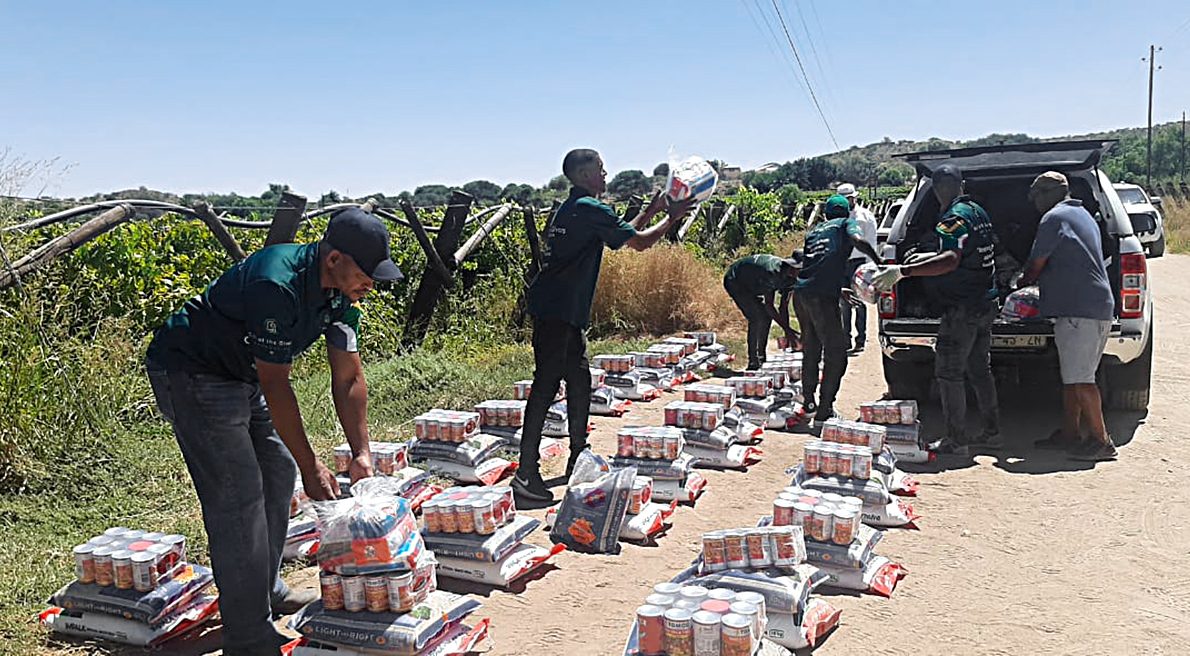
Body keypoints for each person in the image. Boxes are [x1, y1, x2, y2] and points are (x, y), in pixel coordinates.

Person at [145, 208, 400, 655]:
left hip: (240, 373)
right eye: (365, 273)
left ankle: (265, 593)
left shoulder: (341, 295)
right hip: (194, 370)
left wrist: (361, 453)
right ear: (335, 258)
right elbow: (276, 383)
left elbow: (348, 377)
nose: (370, 284)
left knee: (278, 474)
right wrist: (312, 463)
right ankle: (247, 637)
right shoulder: (276, 284)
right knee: (238, 495)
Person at [514, 148, 693, 502]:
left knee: (579, 380)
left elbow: (620, 239)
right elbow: (640, 244)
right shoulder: (589, 210)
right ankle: (525, 472)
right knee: (546, 387)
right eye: (600, 169)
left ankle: (578, 455)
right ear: (582, 176)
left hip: (563, 311)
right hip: (557, 311)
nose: (606, 174)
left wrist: (653, 211)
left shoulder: (574, 208)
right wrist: (671, 219)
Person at [874, 163, 1000, 455]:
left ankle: (957, 440)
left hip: (963, 308)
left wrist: (904, 271)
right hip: (986, 301)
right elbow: (968, 250)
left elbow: (950, 260)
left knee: (948, 373)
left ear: (937, 189)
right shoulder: (977, 211)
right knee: (980, 369)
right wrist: (928, 256)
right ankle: (992, 432)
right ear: (961, 184)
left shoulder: (952, 218)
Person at [1020, 171, 1118, 461]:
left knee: (1083, 379)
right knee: (1072, 377)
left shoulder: (1053, 218)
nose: (1034, 202)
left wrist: (1019, 283)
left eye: (1036, 195)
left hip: (1080, 310)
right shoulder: (1083, 214)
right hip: (1092, 305)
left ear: (1050, 193)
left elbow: (1037, 262)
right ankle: (1070, 433)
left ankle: (1102, 441)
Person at [795, 195, 880, 428]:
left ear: (825, 214)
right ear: (846, 212)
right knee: (837, 353)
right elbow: (857, 239)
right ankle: (824, 412)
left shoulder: (813, 231)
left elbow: (813, 264)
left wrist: (838, 288)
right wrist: (877, 259)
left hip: (801, 294)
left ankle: (809, 403)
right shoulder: (845, 224)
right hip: (821, 297)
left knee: (811, 348)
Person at [723, 253, 804, 370]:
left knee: (766, 317)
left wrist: (787, 332)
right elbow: (769, 305)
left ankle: (761, 357)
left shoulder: (792, 279)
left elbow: (783, 306)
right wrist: (789, 331)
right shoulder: (772, 273)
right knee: (756, 318)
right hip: (736, 281)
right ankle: (753, 361)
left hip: (754, 283)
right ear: (794, 267)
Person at [836, 183, 879, 354]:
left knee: (860, 301)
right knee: (844, 303)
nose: (847, 201)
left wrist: (871, 267)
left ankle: (860, 339)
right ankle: (845, 339)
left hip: (859, 262)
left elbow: (871, 242)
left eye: (849, 198)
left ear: (855, 197)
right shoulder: (835, 218)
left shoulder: (865, 217)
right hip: (842, 262)